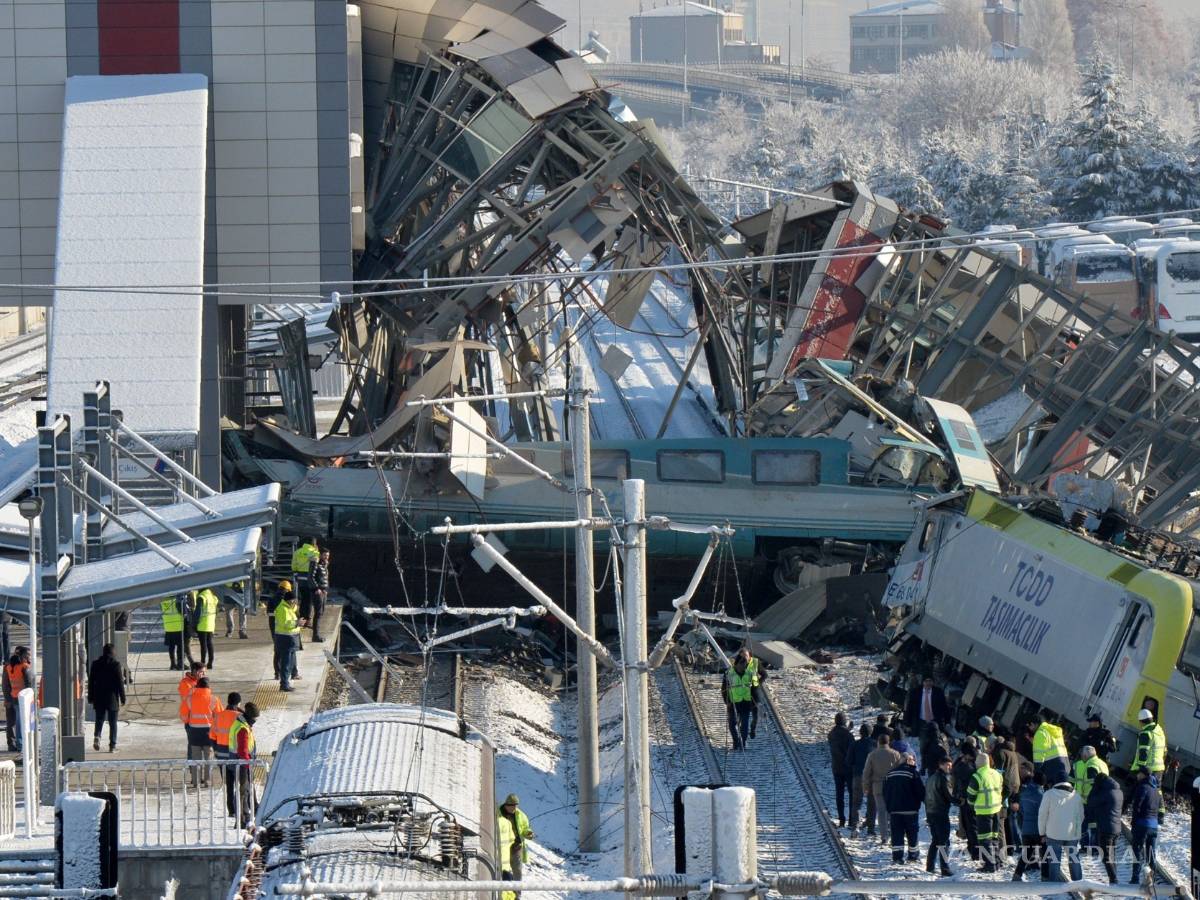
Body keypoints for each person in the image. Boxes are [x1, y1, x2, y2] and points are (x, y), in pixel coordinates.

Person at [179, 675, 222, 786]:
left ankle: (196, 781)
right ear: (208, 687)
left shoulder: (190, 699)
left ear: (197, 686)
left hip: (194, 731)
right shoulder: (214, 699)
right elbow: (219, 716)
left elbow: (183, 716)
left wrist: (190, 721)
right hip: (209, 731)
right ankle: (207, 781)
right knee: (208, 757)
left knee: (195, 757)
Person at [1038, 776, 1083, 882]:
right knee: (1074, 859)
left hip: (1053, 834)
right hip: (1072, 834)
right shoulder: (1076, 796)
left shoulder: (1048, 794)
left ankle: (1054, 885)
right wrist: (1076, 830)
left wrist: (1042, 833)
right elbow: (1081, 815)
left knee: (1054, 860)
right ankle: (1079, 882)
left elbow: (1042, 815)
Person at [967, 752, 1004, 872]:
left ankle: (990, 864)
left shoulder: (977, 776)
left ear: (978, 763)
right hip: (996, 810)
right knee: (994, 837)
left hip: (983, 811)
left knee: (985, 839)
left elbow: (971, 794)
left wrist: (972, 805)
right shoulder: (997, 774)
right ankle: (997, 862)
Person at [883, 751, 923, 864]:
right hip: (911, 810)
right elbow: (920, 791)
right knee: (912, 834)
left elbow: (885, 792)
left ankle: (897, 857)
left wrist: (889, 806)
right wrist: (918, 803)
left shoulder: (890, 774)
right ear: (908, 760)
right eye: (913, 760)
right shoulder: (913, 773)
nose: (914, 762)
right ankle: (913, 856)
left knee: (897, 834)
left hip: (895, 810)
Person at [1083, 770, 1123, 884]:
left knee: (1105, 857)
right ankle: (1114, 880)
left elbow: (1090, 802)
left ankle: (1114, 880)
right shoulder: (1118, 791)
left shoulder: (1106, 793)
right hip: (1116, 828)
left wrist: (1094, 789)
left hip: (1106, 829)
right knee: (1112, 856)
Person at [862, 733, 902, 843]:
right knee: (891, 811)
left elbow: (866, 773)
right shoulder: (896, 754)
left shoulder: (872, 754)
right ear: (888, 742)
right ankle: (893, 832)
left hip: (877, 787)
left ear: (878, 742)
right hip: (892, 786)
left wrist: (865, 787)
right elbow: (900, 771)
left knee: (881, 811)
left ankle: (884, 836)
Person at [86, 644, 125, 753]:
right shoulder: (116, 665)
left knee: (99, 719)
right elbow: (120, 683)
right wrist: (123, 698)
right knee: (113, 722)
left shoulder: (95, 664)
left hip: (99, 697)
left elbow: (91, 683)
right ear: (113, 652)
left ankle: (97, 736)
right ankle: (112, 746)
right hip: (112, 698)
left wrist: (90, 697)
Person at [227, 701, 259, 828]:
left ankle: (244, 816)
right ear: (251, 717)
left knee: (244, 791)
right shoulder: (243, 729)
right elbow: (242, 751)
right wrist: (248, 764)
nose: (255, 721)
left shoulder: (241, 723)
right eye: (255, 718)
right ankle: (240, 820)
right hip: (242, 764)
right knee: (242, 791)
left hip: (240, 762)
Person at [211, 691, 243, 817]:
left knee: (229, 785)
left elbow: (212, 736)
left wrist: (217, 750)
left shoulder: (219, 716)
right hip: (235, 756)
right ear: (239, 703)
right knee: (242, 783)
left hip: (222, 756)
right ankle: (242, 809)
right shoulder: (240, 717)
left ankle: (232, 810)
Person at [1012, 769, 1048, 882]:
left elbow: (1021, 811)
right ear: (1042, 783)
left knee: (1026, 855)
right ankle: (1045, 878)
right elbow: (1043, 814)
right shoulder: (1041, 795)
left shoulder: (1024, 793)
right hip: (1038, 830)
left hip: (1026, 829)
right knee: (1045, 855)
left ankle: (1017, 875)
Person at [1128, 769, 1161, 885]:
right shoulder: (1156, 789)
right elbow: (1160, 808)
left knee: (1137, 850)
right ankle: (1153, 878)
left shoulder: (1142, 787)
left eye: (1138, 773)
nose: (1137, 775)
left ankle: (1135, 878)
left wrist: (1134, 823)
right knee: (1151, 853)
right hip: (1154, 826)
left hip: (1142, 824)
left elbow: (1137, 807)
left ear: (1143, 775)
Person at [498, 793, 534, 898]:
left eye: (516, 805)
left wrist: (528, 833)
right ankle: (504, 894)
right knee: (504, 871)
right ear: (507, 805)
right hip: (503, 848)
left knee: (517, 871)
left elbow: (525, 828)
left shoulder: (521, 815)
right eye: (512, 806)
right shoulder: (498, 814)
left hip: (516, 847)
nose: (515, 808)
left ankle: (517, 895)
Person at [924, 753, 954, 876]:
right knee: (944, 842)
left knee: (935, 840)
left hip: (931, 812)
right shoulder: (943, 778)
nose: (949, 768)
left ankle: (930, 866)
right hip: (940, 812)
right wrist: (961, 801)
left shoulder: (931, 778)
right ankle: (945, 868)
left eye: (950, 766)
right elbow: (949, 796)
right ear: (941, 765)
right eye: (947, 765)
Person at [722, 652, 756, 751]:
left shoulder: (750, 673)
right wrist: (727, 701)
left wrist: (756, 701)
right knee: (732, 724)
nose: (744, 667)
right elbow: (724, 689)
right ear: (736, 664)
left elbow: (756, 686)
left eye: (745, 665)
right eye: (742, 665)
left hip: (745, 703)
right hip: (733, 703)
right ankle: (736, 741)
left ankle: (743, 742)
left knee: (745, 725)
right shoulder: (729, 674)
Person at [952, 741, 978, 860]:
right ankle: (972, 847)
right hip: (968, 798)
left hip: (967, 799)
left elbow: (958, 777)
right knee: (969, 825)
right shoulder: (972, 764)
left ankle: (974, 849)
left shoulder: (965, 766)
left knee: (970, 825)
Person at [274, 592, 304, 693]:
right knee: (286, 663)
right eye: (293, 600)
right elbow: (285, 623)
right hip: (285, 639)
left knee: (289, 663)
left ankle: (286, 683)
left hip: (291, 638)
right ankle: (284, 685)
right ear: (288, 600)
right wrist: (297, 623)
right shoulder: (283, 609)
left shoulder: (290, 608)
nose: (295, 602)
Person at [846, 722, 873, 833]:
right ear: (871, 733)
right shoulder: (874, 745)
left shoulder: (854, 744)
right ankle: (870, 827)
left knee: (856, 802)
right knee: (872, 802)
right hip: (872, 777)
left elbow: (848, 761)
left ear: (860, 733)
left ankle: (855, 824)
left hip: (858, 775)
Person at [828, 712, 854, 827]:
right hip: (848, 768)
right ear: (844, 721)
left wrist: (847, 729)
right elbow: (851, 748)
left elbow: (839, 736)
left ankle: (841, 819)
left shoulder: (831, 734)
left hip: (836, 768)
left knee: (839, 795)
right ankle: (851, 819)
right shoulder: (848, 735)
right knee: (852, 794)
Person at [3, 645, 30, 752]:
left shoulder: (9, 666)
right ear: (23, 655)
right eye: (28, 655)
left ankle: (13, 744)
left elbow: (5, 684)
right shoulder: (23, 667)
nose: (30, 657)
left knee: (13, 722)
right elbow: (5, 684)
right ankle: (17, 744)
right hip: (16, 698)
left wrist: (8, 698)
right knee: (17, 722)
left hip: (13, 696)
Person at [1032, 714, 1070, 785]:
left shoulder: (1041, 733)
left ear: (1035, 724)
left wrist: (1037, 775)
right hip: (1064, 770)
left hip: (1052, 772)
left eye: (1031, 725)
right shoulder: (1053, 732)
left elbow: (1038, 757)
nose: (1031, 728)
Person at [291, 536, 321, 621]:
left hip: (300, 577)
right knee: (309, 600)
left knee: (304, 598)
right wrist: (317, 550)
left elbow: (294, 565)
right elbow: (316, 564)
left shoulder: (297, 552)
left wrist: (296, 574)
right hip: (310, 578)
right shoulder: (314, 552)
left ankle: (301, 616)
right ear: (313, 543)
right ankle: (307, 618)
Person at [1130, 707, 1166, 776]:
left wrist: (1141, 769)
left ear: (1140, 721)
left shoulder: (1146, 733)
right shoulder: (1159, 731)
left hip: (1148, 770)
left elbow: (1144, 752)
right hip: (1159, 769)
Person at [191, 587, 219, 669]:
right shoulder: (212, 596)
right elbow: (216, 611)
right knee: (210, 643)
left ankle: (202, 662)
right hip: (211, 624)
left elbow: (197, 613)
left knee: (203, 645)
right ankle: (210, 662)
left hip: (202, 624)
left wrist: (194, 624)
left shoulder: (201, 597)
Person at [160, 594, 185, 670]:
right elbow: (182, 610)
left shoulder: (163, 599)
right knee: (180, 647)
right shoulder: (177, 599)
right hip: (178, 625)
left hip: (168, 626)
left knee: (171, 647)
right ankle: (180, 663)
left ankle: (172, 664)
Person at [309, 551, 330, 642]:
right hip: (318, 592)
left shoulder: (324, 564)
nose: (326, 557)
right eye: (325, 555)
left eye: (328, 555)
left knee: (321, 612)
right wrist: (316, 588)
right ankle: (315, 635)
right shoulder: (316, 563)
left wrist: (325, 589)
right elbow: (311, 577)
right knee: (318, 612)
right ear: (320, 555)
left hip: (323, 591)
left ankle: (317, 634)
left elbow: (324, 578)